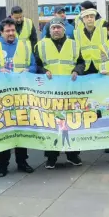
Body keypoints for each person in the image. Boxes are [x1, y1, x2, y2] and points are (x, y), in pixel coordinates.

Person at [0, 18, 36, 177]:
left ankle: (22, 162)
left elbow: (33, 66)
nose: (11, 33)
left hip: (21, 97)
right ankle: (3, 165)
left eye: (13, 30)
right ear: (1, 32)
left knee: (21, 130)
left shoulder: (25, 46)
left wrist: (29, 70)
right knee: (4, 131)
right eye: (8, 31)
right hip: (2, 97)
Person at [34, 17, 85, 169]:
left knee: (71, 122)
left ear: (64, 29)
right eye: (53, 28)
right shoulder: (41, 45)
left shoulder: (74, 45)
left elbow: (81, 63)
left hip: (70, 91)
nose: (56, 30)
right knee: (50, 124)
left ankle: (73, 155)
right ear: (49, 30)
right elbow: (35, 65)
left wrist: (77, 70)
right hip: (50, 92)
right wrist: (44, 71)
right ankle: (51, 157)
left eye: (58, 27)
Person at [74, 8, 106, 75]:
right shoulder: (77, 33)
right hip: (83, 68)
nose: (89, 19)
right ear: (83, 20)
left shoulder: (103, 31)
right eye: (87, 17)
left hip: (100, 68)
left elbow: (106, 49)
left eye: (92, 17)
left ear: (95, 19)